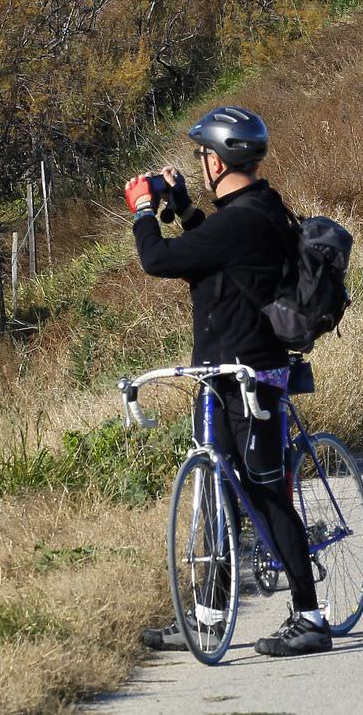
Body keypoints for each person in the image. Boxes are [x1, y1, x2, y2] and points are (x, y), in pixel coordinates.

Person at [125, 106, 333, 659]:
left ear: (216, 159)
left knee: (265, 495)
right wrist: (187, 207)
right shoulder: (255, 208)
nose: (200, 163)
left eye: (201, 156)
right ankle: (210, 617)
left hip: (250, 378)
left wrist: (144, 208)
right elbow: (221, 255)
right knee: (219, 494)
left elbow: (158, 258)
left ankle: (310, 617)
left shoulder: (242, 221)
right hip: (219, 374)